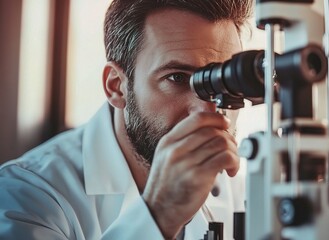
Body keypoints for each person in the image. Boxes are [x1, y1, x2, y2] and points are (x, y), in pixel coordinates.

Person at [0, 0, 253, 239]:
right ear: (116, 87)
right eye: (177, 78)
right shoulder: (25, 196)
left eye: (223, 80)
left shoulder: (241, 192)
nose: (206, 110)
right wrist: (159, 212)